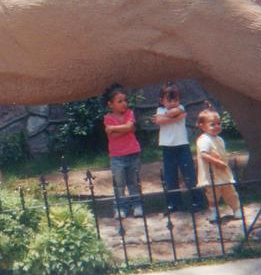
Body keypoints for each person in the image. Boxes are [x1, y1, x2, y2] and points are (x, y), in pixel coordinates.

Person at [152, 82, 206, 214]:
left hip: (182, 146)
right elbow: (160, 121)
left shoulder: (180, 107)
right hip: (167, 147)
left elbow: (172, 115)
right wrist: (172, 118)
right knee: (170, 177)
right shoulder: (160, 110)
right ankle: (174, 203)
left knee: (189, 175)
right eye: (169, 99)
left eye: (175, 99)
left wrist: (167, 117)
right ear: (161, 100)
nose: (173, 103)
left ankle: (198, 201)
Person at [196, 104, 242, 223]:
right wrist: (217, 162)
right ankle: (214, 212)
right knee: (212, 195)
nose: (217, 126)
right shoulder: (204, 139)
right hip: (211, 174)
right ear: (202, 126)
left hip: (222, 173)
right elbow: (204, 154)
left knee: (230, 192)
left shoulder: (219, 139)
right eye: (212, 124)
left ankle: (236, 209)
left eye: (218, 123)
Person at [103, 84, 143, 218]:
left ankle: (137, 205)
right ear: (111, 104)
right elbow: (113, 135)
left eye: (125, 100)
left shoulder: (130, 113)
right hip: (117, 157)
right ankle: (120, 208)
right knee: (119, 185)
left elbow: (129, 127)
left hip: (133, 153)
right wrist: (126, 129)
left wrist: (115, 128)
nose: (124, 103)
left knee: (134, 182)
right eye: (120, 101)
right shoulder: (108, 118)